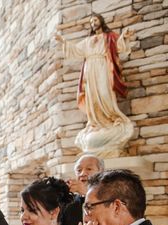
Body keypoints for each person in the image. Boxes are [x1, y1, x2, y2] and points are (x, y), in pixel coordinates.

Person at [55, 14, 134, 157]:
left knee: (105, 94)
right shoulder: (87, 41)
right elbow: (76, 50)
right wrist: (64, 41)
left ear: (101, 21)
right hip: (89, 70)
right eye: (91, 21)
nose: (93, 23)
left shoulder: (108, 36)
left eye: (95, 20)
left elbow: (119, 46)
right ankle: (96, 123)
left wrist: (125, 36)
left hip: (103, 68)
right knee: (92, 98)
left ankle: (110, 120)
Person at [59, 154, 105, 225]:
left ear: (101, 172)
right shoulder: (69, 202)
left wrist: (87, 194)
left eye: (89, 169)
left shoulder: (111, 197)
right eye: (79, 170)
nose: (82, 174)